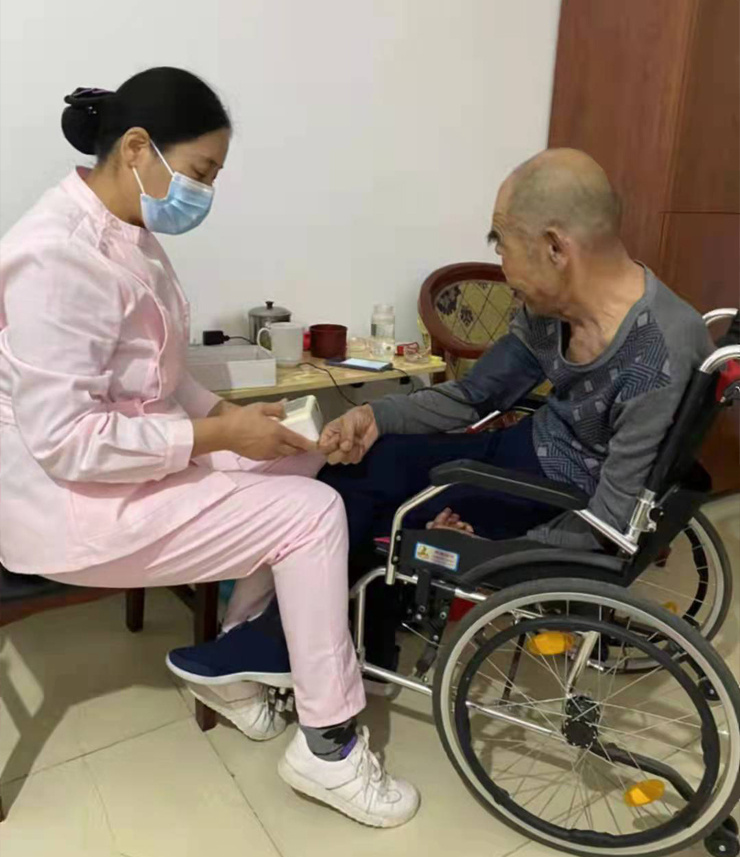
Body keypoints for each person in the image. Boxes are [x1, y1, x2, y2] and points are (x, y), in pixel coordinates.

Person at [0, 67, 419, 828]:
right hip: (68, 503)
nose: (205, 193)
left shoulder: (132, 232)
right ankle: (328, 749)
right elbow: (67, 442)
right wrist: (222, 434)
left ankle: (233, 660)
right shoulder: (53, 255)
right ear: (137, 148)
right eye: (201, 171)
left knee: (300, 459)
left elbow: (164, 378)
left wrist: (243, 421)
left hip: (128, 461)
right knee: (311, 515)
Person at [319, 148, 714, 677]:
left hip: (564, 502)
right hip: (520, 449)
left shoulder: (659, 351)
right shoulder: (550, 310)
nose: (502, 263)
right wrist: (376, 416)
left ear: (555, 247)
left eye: (500, 242)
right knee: (361, 465)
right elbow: (473, 397)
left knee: (376, 510)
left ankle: (326, 654)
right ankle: (340, 646)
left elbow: (609, 520)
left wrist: (500, 553)